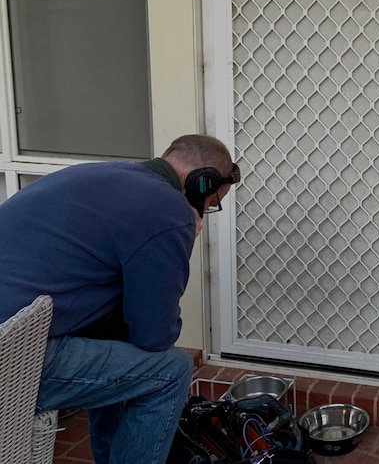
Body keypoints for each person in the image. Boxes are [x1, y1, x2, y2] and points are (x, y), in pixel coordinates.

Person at [0, 134, 240, 464]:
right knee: (170, 371)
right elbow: (154, 336)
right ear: (202, 183)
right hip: (12, 355)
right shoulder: (168, 208)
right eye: (211, 203)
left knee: (116, 341)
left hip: (15, 330)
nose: (207, 210)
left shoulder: (107, 175)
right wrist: (184, 232)